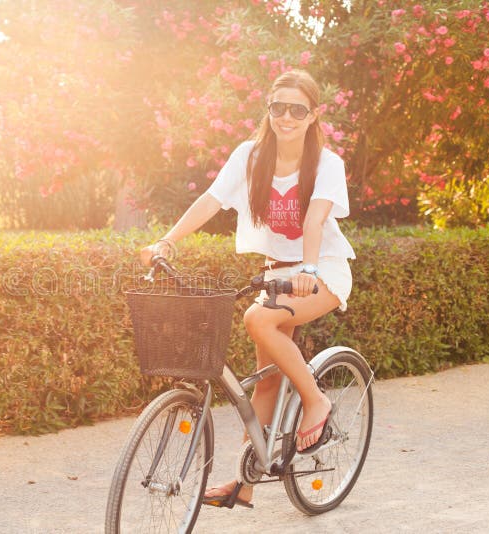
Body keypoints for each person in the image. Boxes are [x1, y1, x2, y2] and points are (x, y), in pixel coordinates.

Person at [140, 69, 355, 509]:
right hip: (275, 273)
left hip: (322, 272)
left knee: (258, 318)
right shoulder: (250, 155)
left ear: (313, 115)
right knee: (266, 383)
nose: (287, 116)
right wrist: (167, 240)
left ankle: (316, 403)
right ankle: (246, 483)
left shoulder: (328, 165)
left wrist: (309, 269)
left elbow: (313, 220)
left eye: (298, 109)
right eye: (278, 107)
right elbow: (211, 200)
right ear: (269, 110)